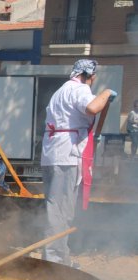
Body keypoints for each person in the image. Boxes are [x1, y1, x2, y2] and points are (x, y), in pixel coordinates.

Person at [41, 59, 116, 267]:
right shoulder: (79, 89)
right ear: (88, 76)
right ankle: (56, 262)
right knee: (60, 210)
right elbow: (92, 108)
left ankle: (59, 257)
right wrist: (107, 92)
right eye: (93, 78)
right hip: (66, 155)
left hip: (53, 154)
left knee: (57, 208)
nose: (93, 82)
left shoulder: (61, 91)